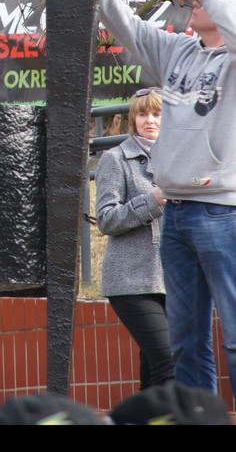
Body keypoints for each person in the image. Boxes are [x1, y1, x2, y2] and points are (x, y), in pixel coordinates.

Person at [98, 0, 236, 396]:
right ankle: (199, 418)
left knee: (234, 339)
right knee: (185, 345)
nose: (193, 3)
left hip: (222, 214)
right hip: (175, 212)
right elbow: (128, 26)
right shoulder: (178, 50)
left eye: (206, 0)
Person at [95, 88, 174, 389]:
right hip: (131, 281)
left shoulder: (180, 159)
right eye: (143, 114)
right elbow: (106, 219)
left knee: (155, 368)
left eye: (157, 114)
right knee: (167, 359)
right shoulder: (115, 159)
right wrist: (152, 201)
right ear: (133, 119)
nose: (150, 120)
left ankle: (149, 412)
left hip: (173, 279)